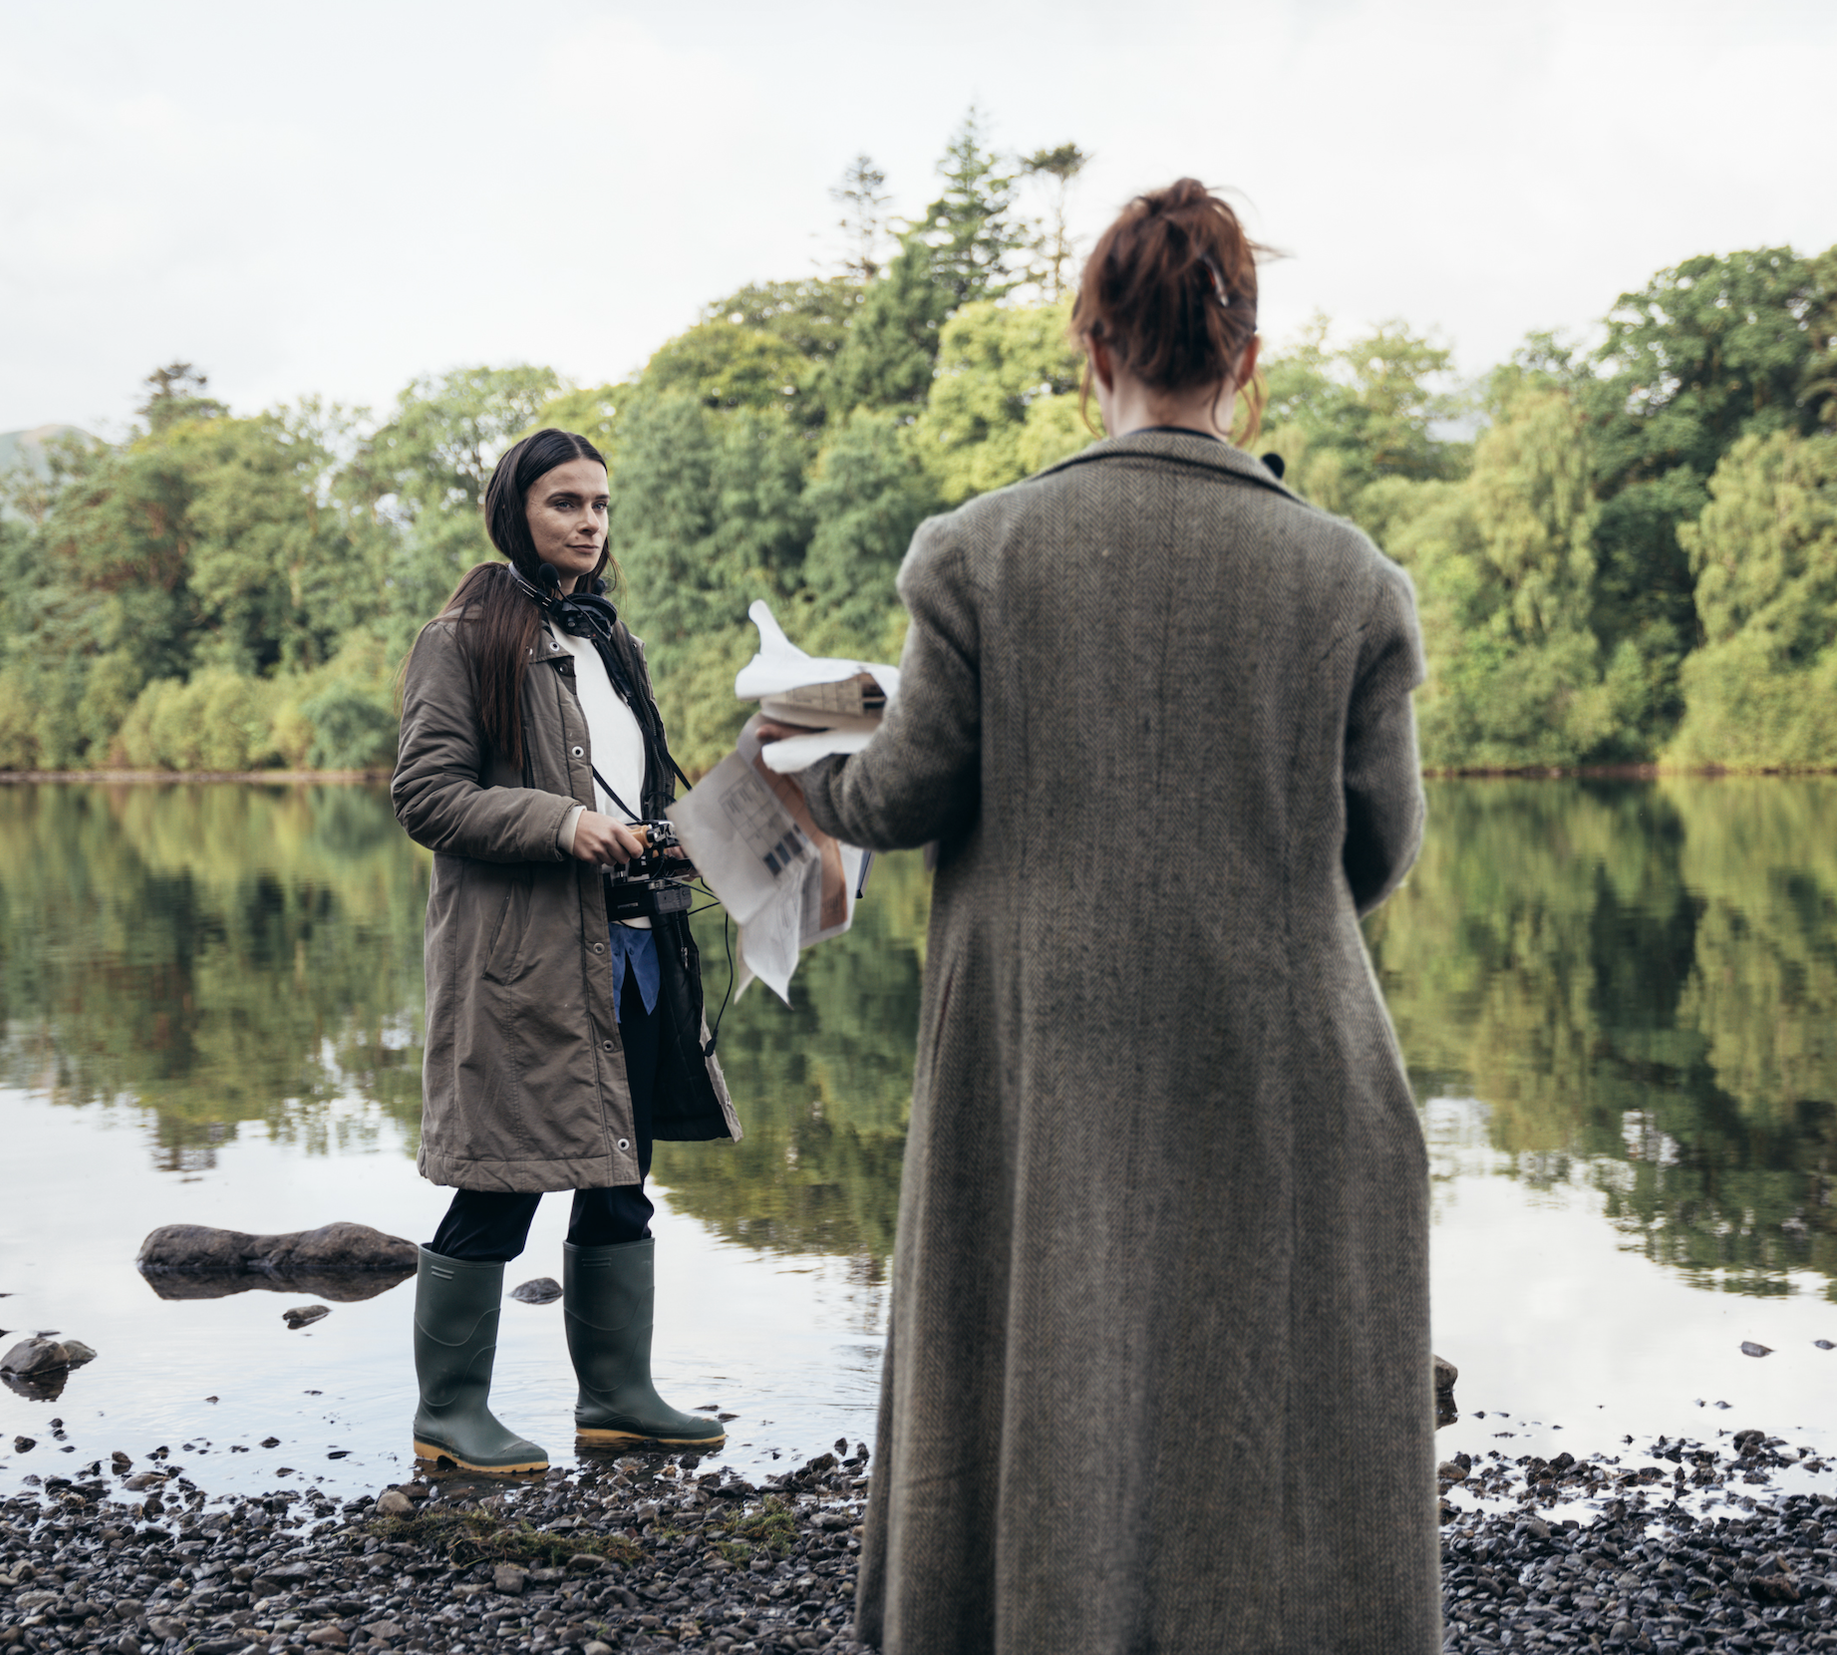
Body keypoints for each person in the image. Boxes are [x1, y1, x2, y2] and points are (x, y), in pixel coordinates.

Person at [776, 180, 1436, 1653]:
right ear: (1247, 352)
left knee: (1048, 1380)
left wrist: (805, 767)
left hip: (1047, 1055)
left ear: (1094, 345)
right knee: (1265, 1401)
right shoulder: (1353, 577)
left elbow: (905, 793)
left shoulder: (981, 550)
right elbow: (1380, 848)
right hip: (1290, 1052)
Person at [391, 427, 739, 1474]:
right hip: (523, 966)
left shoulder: (608, 641)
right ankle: (448, 1416)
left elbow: (637, 790)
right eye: (565, 503)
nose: (589, 521)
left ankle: (618, 1400)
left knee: (621, 1174)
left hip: (634, 948)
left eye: (599, 504)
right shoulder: (461, 636)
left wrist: (688, 831)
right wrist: (560, 823)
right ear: (516, 511)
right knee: (500, 1181)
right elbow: (425, 792)